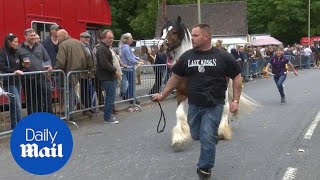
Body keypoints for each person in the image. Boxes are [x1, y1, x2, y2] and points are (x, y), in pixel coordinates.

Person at [152, 24, 242, 180]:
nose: (191, 38)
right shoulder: (187, 57)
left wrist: (235, 100)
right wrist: (163, 95)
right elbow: (175, 78)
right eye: (191, 35)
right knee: (196, 135)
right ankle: (211, 138)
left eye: (195, 35)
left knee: (206, 136)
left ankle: (204, 169)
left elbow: (237, 76)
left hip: (214, 104)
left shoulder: (222, 56)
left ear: (206, 37)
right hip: (194, 105)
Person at [54, 29, 93, 116]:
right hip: (79, 72)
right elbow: (88, 56)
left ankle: (70, 115)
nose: (57, 39)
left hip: (68, 72)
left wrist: (54, 69)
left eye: (58, 36)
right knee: (72, 92)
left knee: (69, 93)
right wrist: (88, 68)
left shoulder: (63, 44)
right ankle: (73, 112)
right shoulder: (78, 42)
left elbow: (61, 61)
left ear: (63, 36)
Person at [17, 28, 53, 115]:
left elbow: (47, 58)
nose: (33, 37)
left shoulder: (40, 46)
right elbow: (16, 64)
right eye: (31, 35)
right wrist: (22, 65)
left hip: (41, 77)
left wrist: (49, 66)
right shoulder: (19, 48)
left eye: (34, 35)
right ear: (25, 36)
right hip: (27, 79)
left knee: (43, 99)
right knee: (30, 101)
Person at [95, 29, 120, 124]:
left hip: (109, 76)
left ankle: (108, 115)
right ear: (103, 38)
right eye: (109, 38)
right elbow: (104, 63)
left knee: (111, 97)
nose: (111, 40)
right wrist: (115, 70)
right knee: (110, 97)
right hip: (106, 77)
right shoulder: (102, 49)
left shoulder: (106, 48)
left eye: (112, 38)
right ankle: (107, 117)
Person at [0, 33, 24, 129]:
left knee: (14, 106)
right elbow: (2, 66)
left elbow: (20, 65)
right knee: (17, 105)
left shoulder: (17, 52)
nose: (17, 44)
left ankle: (15, 127)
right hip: (8, 82)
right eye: (15, 42)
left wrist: (23, 66)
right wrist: (13, 71)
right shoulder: (3, 53)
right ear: (9, 42)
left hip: (17, 82)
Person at [119, 33, 144, 104]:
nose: (132, 40)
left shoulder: (126, 47)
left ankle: (127, 95)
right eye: (131, 38)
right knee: (132, 84)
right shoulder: (126, 47)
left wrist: (139, 60)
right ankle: (131, 98)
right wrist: (137, 62)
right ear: (126, 40)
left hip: (128, 68)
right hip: (128, 68)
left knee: (131, 83)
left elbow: (133, 56)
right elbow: (130, 59)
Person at [79, 31, 95, 118]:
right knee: (84, 91)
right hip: (83, 72)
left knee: (88, 91)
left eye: (88, 37)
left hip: (89, 72)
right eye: (85, 37)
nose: (87, 39)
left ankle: (89, 107)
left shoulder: (88, 47)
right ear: (80, 38)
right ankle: (86, 108)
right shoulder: (80, 47)